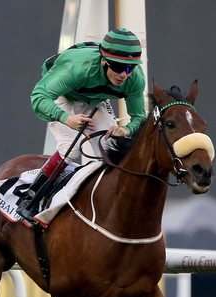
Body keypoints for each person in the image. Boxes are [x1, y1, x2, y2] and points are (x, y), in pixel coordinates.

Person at [17, 28, 146, 223]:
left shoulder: (135, 80)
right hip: (62, 95)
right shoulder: (78, 68)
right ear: (104, 61)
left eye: (130, 68)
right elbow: (39, 97)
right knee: (72, 146)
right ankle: (32, 197)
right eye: (119, 67)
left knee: (112, 146)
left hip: (95, 99)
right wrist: (66, 118)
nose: (124, 75)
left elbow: (139, 118)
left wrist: (126, 129)